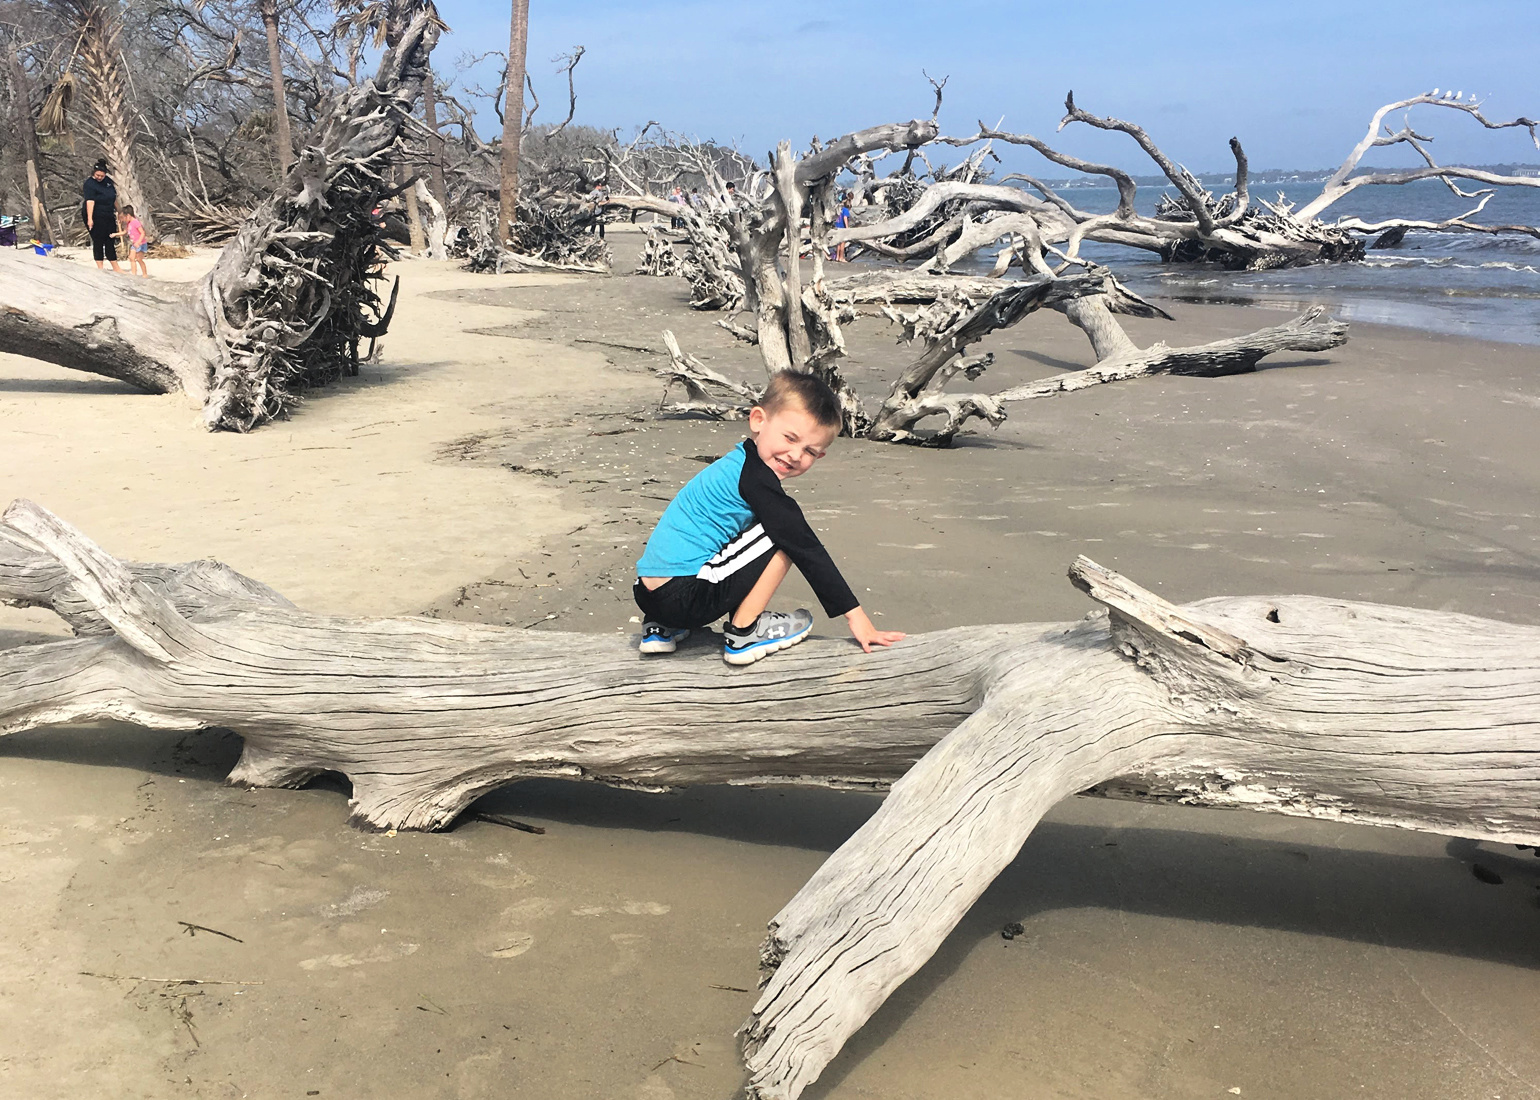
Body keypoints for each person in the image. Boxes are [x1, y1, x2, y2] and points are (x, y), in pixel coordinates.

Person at [633, 371, 906, 665]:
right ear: (758, 420)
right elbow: (806, 548)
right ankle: (745, 631)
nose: (794, 455)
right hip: (686, 596)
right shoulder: (755, 480)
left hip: (648, 594)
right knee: (786, 534)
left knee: (758, 529)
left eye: (810, 451)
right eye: (790, 438)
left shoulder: (735, 465)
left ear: (820, 456)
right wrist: (857, 617)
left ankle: (661, 629)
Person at [81, 159, 123, 272]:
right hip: (94, 213)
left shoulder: (108, 182)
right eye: (97, 175)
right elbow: (90, 201)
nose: (100, 177)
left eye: (102, 175)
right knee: (98, 239)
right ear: (93, 173)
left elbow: (113, 198)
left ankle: (116, 267)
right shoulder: (89, 184)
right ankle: (100, 267)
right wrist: (90, 219)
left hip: (108, 213)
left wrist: (119, 211)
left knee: (110, 238)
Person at [118, 205, 149, 277]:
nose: (123, 220)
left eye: (124, 218)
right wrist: (115, 234)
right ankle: (134, 273)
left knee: (139, 259)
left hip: (140, 243)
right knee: (132, 258)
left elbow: (142, 233)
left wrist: (139, 242)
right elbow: (125, 232)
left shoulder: (136, 222)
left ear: (128, 215)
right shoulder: (129, 224)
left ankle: (144, 274)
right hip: (134, 244)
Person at [832, 193, 852, 263]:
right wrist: (847, 228)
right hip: (842, 228)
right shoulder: (845, 210)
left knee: (838, 243)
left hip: (837, 227)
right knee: (842, 244)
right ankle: (841, 257)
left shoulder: (838, 208)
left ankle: (837, 257)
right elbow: (845, 219)